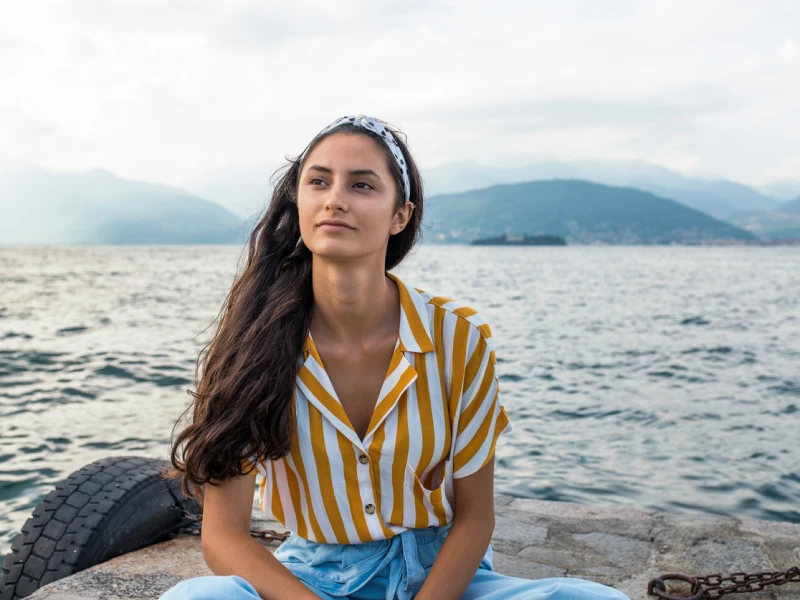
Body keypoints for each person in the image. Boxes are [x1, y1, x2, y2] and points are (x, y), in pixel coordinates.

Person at [159, 114, 630, 600]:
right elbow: (224, 535)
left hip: (439, 579)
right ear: (299, 201)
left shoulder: (457, 338)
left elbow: (475, 518)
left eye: (362, 185)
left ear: (400, 215)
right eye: (318, 181)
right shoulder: (249, 345)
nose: (334, 198)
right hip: (311, 580)